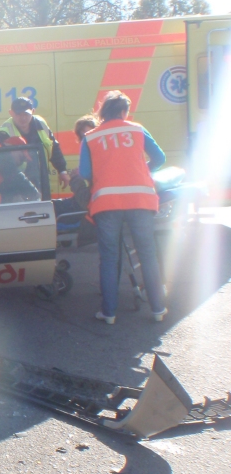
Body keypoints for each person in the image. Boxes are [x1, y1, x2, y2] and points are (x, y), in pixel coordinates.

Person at [80, 91, 167, 324]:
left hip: (107, 203)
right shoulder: (137, 130)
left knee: (109, 257)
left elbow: (86, 173)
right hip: (140, 199)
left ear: (104, 112)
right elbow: (160, 158)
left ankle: (108, 313)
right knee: (147, 254)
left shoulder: (90, 137)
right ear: (123, 111)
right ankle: (158, 309)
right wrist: (140, 170)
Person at [0, 97, 70, 195]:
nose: (23, 118)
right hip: (14, 186)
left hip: (41, 179)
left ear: (33, 111)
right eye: (19, 114)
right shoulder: (3, 134)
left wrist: (62, 170)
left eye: (26, 114)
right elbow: (4, 166)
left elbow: (53, 147)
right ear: (11, 113)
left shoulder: (41, 124)